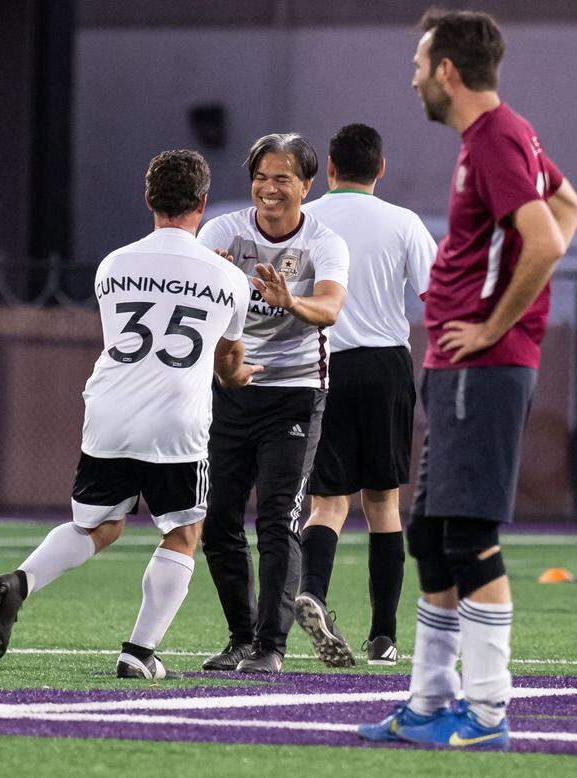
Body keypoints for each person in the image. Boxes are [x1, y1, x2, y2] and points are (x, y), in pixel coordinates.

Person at [358, 10, 577, 750]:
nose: (415, 75)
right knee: (429, 533)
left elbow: (546, 237)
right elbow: (569, 206)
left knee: (468, 536)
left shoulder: (492, 139)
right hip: (460, 368)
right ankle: (428, 701)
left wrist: (496, 325)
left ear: (449, 70)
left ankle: (486, 714)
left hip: (481, 367)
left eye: (421, 62)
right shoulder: (499, 136)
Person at [0, 149, 257, 679]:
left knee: (98, 526)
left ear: (148, 199)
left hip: (109, 411)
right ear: (202, 202)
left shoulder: (113, 264)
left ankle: (21, 582)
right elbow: (227, 359)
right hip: (176, 421)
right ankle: (140, 653)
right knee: (181, 533)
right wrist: (239, 377)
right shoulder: (228, 279)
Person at [196, 133, 350, 674]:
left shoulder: (325, 242)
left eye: (282, 178)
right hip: (230, 389)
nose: (268, 188)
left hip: (294, 393)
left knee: (277, 520)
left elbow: (330, 309)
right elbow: (189, 294)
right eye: (261, 177)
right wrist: (203, 276)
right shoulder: (221, 232)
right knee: (215, 521)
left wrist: (291, 300)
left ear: (307, 185)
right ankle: (240, 637)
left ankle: (270, 646)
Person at [293, 123, 436, 669]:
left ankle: (314, 592)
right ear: (381, 168)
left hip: (323, 364)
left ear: (327, 167)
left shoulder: (308, 221)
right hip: (384, 366)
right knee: (383, 503)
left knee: (328, 502)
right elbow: (435, 295)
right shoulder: (403, 222)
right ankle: (383, 636)